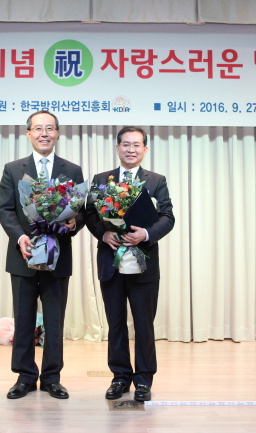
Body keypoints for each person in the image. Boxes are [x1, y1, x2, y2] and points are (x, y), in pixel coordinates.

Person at [0, 110, 85, 400]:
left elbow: (82, 210)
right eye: (38, 129)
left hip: (58, 257)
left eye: (50, 128)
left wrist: (73, 223)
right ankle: (24, 377)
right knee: (24, 318)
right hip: (23, 255)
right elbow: (5, 209)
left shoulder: (72, 170)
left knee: (55, 320)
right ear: (28, 133)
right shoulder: (13, 169)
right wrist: (20, 237)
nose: (44, 133)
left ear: (58, 133)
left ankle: (51, 378)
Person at [85, 126, 175, 402]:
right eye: (126, 144)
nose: (131, 149)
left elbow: (167, 217)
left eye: (137, 145)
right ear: (117, 148)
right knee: (116, 323)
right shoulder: (102, 179)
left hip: (143, 261)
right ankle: (120, 377)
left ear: (145, 150)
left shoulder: (156, 181)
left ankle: (144, 380)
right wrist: (104, 232)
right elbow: (90, 213)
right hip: (111, 261)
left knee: (144, 323)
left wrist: (145, 235)